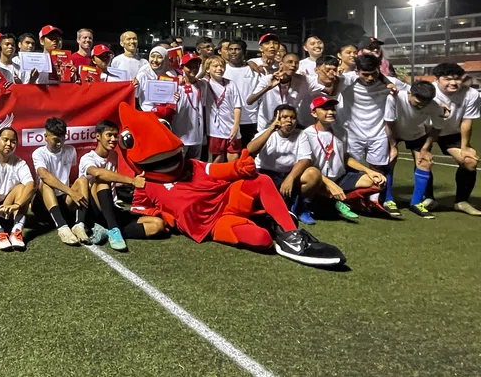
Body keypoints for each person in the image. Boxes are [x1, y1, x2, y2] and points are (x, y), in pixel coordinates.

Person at [117, 102, 346, 267]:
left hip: (227, 198)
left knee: (261, 180)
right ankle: (270, 219)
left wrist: (239, 167)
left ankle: (291, 233)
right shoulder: (144, 184)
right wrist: (166, 216)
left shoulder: (191, 165)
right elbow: (143, 212)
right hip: (212, 225)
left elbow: (218, 170)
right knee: (262, 240)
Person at [339, 53, 407, 217]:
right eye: (365, 74)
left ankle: (374, 201)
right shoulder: (347, 80)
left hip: (378, 132)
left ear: (379, 70)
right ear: (357, 71)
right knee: (352, 168)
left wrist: (440, 105)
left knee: (378, 168)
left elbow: (412, 93)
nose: (369, 78)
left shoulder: (390, 83)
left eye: (373, 73)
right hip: (353, 133)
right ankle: (350, 200)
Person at [296, 96, 386, 221]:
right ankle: (305, 206)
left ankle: (345, 201)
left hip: (339, 177)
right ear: (314, 113)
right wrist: (329, 184)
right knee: (311, 175)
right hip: (319, 180)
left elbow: (345, 157)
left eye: (332, 109)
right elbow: (305, 165)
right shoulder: (305, 134)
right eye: (325, 109)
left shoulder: (341, 131)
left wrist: (369, 171)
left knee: (378, 182)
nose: (331, 112)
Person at [81, 120, 164, 252]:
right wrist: (132, 181)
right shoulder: (87, 158)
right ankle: (113, 230)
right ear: (98, 136)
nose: (113, 139)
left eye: (115, 135)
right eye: (109, 135)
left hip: (112, 209)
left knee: (158, 225)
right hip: (94, 211)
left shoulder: (113, 155)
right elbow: (98, 173)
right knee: (102, 181)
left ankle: (109, 230)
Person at [425, 63, 480, 216]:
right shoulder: (429, 91)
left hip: (451, 133)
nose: (453, 83)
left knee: (469, 162)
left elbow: (466, 121)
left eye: (457, 79)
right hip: (426, 131)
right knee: (423, 160)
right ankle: (428, 198)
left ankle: (461, 202)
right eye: (447, 79)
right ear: (436, 79)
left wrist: (465, 146)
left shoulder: (471, 94)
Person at [247, 105, 318, 224]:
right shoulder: (266, 133)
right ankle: (281, 204)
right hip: (266, 175)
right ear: (276, 118)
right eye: (284, 117)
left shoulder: (301, 134)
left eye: (292, 117)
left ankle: (300, 209)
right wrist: (271, 129)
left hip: (288, 174)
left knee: (313, 173)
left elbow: (305, 159)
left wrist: (290, 178)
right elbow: (250, 150)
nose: (289, 120)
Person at [384, 80, 444, 218]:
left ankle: (416, 203)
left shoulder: (435, 106)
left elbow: (436, 129)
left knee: (424, 162)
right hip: (393, 132)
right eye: (417, 103)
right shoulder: (394, 98)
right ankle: (388, 200)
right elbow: (389, 123)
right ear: (410, 93)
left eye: (424, 104)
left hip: (416, 134)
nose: (421, 106)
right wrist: (393, 146)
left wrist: (425, 148)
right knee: (389, 159)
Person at [32, 117, 87, 245]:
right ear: (46, 137)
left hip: (64, 202)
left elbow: (74, 177)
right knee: (44, 184)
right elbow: (44, 175)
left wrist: (73, 192)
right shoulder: (38, 153)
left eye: (62, 139)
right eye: (56, 140)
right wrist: (71, 192)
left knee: (82, 181)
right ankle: (62, 228)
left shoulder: (71, 150)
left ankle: (79, 225)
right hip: (43, 206)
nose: (59, 143)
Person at [247, 52, 310, 132]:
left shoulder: (300, 80)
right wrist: (268, 87)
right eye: (290, 62)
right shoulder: (268, 79)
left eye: (296, 63)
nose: (293, 65)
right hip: (267, 125)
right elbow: (249, 101)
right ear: (281, 64)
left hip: (288, 126)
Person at [201, 56, 242, 163]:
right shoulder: (204, 84)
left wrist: (236, 126)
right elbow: (190, 81)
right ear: (208, 69)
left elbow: (237, 106)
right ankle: (218, 179)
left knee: (234, 157)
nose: (219, 68)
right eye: (215, 66)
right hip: (215, 130)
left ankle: (232, 179)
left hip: (231, 127)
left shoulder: (231, 84)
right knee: (217, 159)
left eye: (221, 66)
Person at [224, 39, 260, 146]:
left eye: (237, 49)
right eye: (230, 49)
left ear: (244, 52)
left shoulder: (254, 70)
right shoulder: (221, 69)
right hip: (228, 120)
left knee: (247, 153)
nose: (233, 52)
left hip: (250, 119)